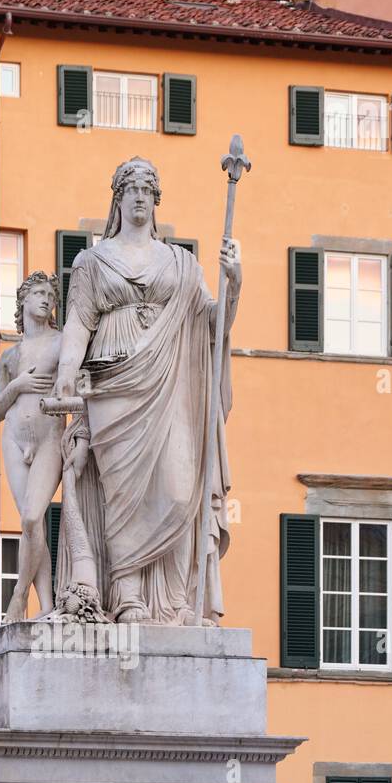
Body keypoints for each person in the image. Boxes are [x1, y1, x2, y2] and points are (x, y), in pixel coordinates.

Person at [53, 156, 242, 625]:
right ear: (117, 199)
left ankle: (176, 601)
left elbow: (213, 325)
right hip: (113, 378)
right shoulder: (92, 262)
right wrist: (64, 376)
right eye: (130, 188)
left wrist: (234, 284)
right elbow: (78, 322)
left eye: (147, 188)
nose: (139, 196)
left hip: (171, 382)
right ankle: (129, 594)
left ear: (156, 200)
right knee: (121, 492)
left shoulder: (181, 263)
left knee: (180, 488)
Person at [0, 271, 64, 620]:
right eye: (39, 293)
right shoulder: (11, 355)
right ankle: (46, 607)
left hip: (49, 436)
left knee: (34, 518)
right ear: (23, 301)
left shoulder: (62, 342)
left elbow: (79, 386)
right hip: (14, 441)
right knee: (30, 525)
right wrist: (17, 385)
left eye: (50, 294)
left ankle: (18, 595)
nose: (46, 299)